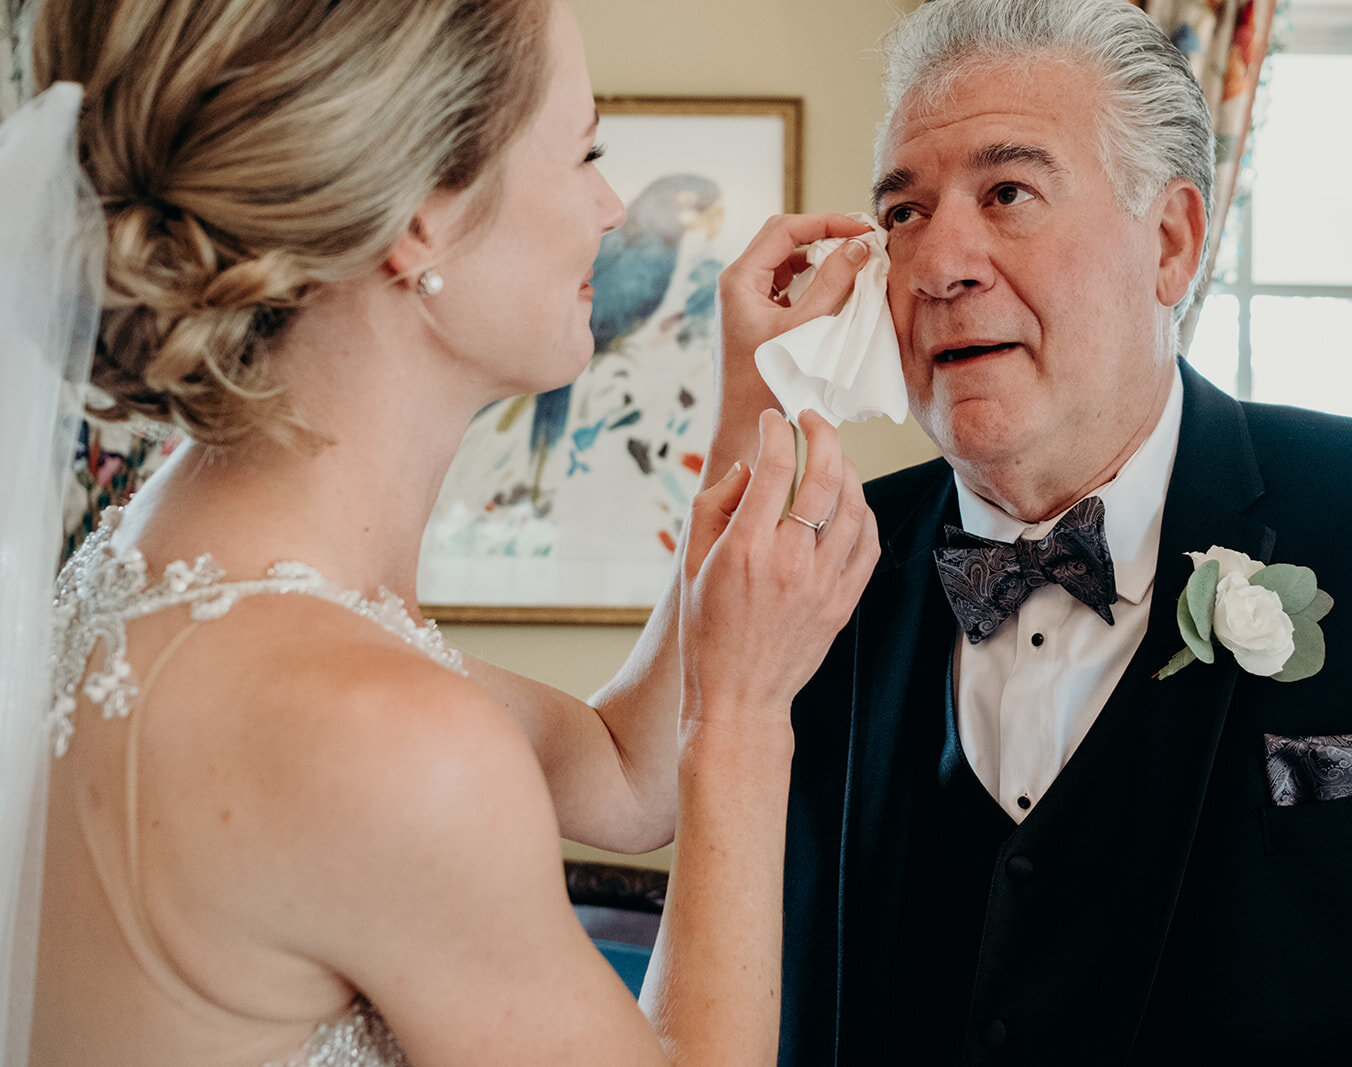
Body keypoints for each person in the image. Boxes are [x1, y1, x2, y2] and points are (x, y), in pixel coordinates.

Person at [707, 0, 1352, 1062]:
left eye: (1007, 192)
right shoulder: (797, 573)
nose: (938, 261)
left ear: (1171, 241)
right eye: (901, 212)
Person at [0, 0, 880, 1063]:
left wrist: (752, 397)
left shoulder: (182, 572)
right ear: (419, 213)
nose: (609, 208)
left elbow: (624, 770)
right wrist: (746, 714)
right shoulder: (378, 733)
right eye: (584, 150)